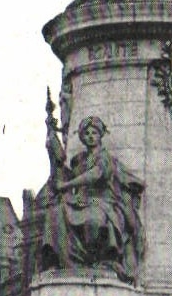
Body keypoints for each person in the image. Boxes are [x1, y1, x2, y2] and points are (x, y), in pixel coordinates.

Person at [40, 114, 145, 283]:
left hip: (104, 201)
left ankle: (97, 260)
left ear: (100, 135)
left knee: (94, 219)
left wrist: (66, 186)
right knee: (55, 213)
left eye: (94, 133)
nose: (90, 136)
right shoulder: (79, 160)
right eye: (87, 133)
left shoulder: (105, 158)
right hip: (81, 201)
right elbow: (63, 174)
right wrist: (53, 150)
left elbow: (95, 175)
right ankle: (60, 260)